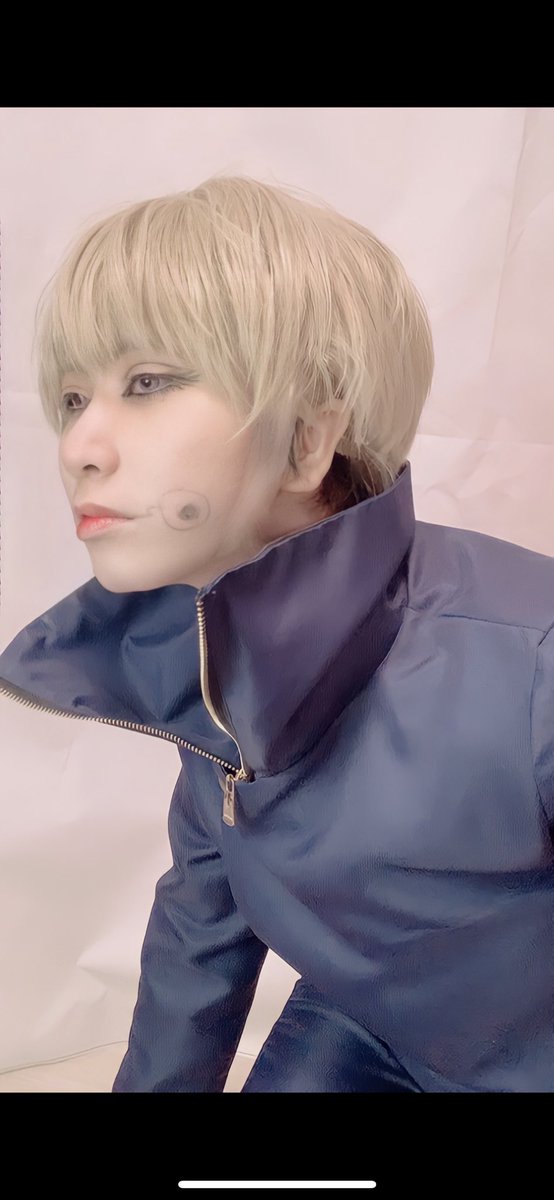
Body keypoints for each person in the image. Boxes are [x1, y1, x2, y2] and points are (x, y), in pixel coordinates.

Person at [0, 174, 552, 1093]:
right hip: (362, 1027)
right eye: (71, 399)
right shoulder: (207, 675)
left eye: (146, 382)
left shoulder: (532, 663)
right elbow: (199, 936)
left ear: (307, 440)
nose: (78, 447)